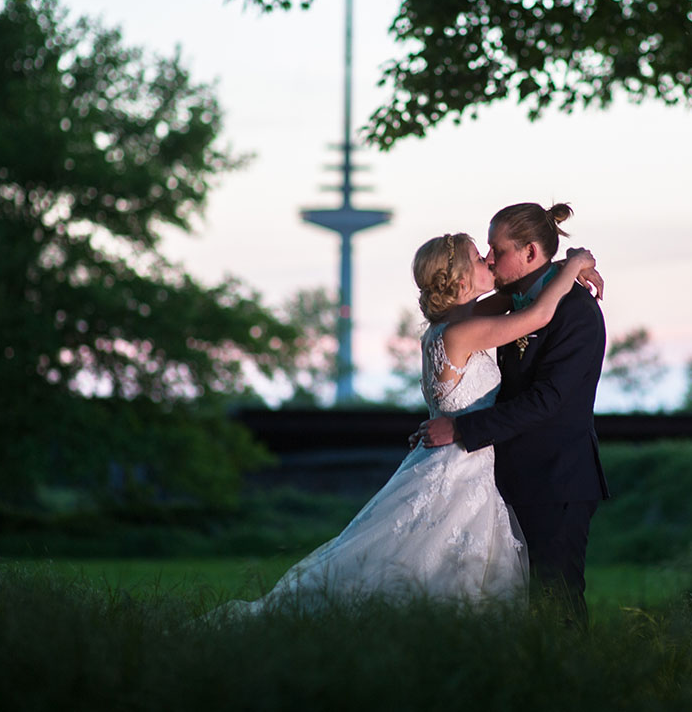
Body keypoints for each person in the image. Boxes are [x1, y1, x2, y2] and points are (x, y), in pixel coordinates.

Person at [208, 233, 600, 617]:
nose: (490, 261)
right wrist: (577, 263)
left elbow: (517, 297)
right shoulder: (465, 331)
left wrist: (558, 269)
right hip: (461, 469)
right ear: (463, 281)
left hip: (458, 462)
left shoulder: (452, 326)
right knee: (438, 571)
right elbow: (538, 313)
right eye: (481, 259)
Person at [414, 203, 609, 628]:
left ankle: (576, 686)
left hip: (555, 480)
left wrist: (460, 427)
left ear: (530, 252)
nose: (488, 258)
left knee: (556, 600)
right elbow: (530, 314)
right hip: (497, 479)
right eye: (483, 251)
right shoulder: (500, 309)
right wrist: (571, 263)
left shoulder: (575, 311)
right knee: (500, 603)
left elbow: (548, 400)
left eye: (495, 250)